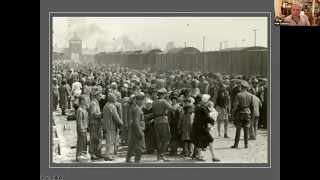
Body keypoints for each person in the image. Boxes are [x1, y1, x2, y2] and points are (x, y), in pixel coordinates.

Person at [192, 94, 220, 162]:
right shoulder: (203, 107)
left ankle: (199, 157)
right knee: (211, 140)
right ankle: (213, 157)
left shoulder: (198, 106)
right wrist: (212, 121)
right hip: (202, 127)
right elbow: (207, 117)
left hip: (197, 127)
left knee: (200, 142)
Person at [152, 88, 175, 162]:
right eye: (165, 94)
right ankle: (162, 155)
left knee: (159, 139)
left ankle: (158, 156)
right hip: (163, 121)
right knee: (167, 138)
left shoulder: (154, 102)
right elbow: (172, 108)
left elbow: (153, 113)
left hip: (156, 121)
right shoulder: (164, 101)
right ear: (163, 94)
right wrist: (178, 104)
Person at [231, 81, 255, 149]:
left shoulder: (238, 95)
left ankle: (236, 144)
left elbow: (235, 106)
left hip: (239, 113)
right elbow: (252, 106)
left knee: (238, 129)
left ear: (241, 87)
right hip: (248, 113)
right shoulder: (250, 95)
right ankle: (246, 144)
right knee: (246, 130)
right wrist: (252, 115)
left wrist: (232, 115)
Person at [102, 93, 123, 161]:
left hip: (106, 125)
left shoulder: (106, 105)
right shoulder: (112, 107)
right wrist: (121, 122)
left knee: (108, 141)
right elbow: (116, 117)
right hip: (111, 126)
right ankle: (108, 155)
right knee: (111, 141)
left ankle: (108, 154)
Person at [126, 94, 146, 163]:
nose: (144, 102)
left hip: (135, 128)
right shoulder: (137, 109)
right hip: (138, 128)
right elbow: (136, 122)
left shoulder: (135, 107)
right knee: (140, 146)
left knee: (132, 145)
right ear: (140, 101)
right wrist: (139, 132)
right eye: (143, 100)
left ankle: (128, 160)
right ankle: (137, 161)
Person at [88, 88, 103, 160]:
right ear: (96, 96)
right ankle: (92, 153)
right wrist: (101, 114)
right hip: (94, 123)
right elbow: (93, 114)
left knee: (97, 139)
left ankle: (96, 153)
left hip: (97, 123)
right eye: (100, 96)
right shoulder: (93, 103)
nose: (101, 97)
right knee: (93, 139)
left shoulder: (95, 102)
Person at [75, 95, 89, 162]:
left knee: (84, 143)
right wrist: (82, 129)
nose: (86, 101)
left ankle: (82, 156)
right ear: (82, 101)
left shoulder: (84, 108)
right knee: (81, 143)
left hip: (84, 127)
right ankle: (79, 157)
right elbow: (79, 121)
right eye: (85, 100)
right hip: (82, 128)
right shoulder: (80, 110)